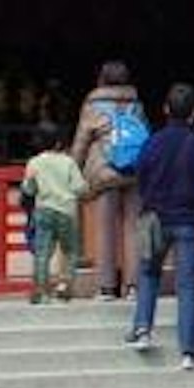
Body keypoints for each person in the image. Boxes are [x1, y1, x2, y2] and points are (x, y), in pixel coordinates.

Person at [128, 81, 194, 367]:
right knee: (187, 285)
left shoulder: (151, 143)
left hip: (156, 216)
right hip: (189, 219)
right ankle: (189, 351)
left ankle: (143, 328)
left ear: (165, 110)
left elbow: (141, 178)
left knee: (148, 272)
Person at [73, 60, 146, 300]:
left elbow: (82, 141)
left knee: (105, 229)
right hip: (134, 171)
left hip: (105, 171)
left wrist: (73, 168)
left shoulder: (94, 105)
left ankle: (106, 287)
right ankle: (134, 286)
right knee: (134, 228)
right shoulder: (136, 104)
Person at [17, 121, 86, 305]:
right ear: (59, 143)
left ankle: (41, 291)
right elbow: (80, 187)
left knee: (43, 252)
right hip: (66, 211)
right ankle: (64, 285)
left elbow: (29, 189)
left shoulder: (34, 162)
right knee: (70, 250)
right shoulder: (68, 162)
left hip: (44, 210)